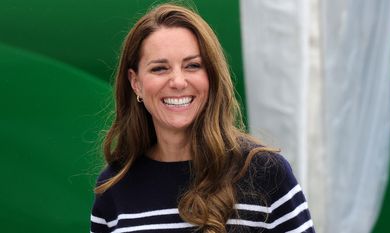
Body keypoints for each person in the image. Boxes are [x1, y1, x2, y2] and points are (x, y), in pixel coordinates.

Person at [90, 3, 315, 233]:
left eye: (193, 66)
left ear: (211, 76)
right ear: (135, 83)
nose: (178, 81)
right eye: (160, 68)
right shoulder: (115, 186)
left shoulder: (266, 173)